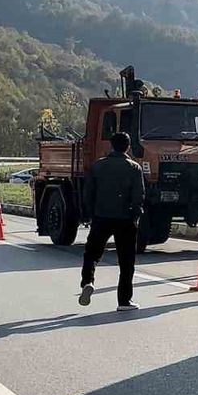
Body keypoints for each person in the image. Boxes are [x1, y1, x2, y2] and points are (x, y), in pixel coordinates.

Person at [77, 132, 145, 311]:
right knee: (126, 261)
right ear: (128, 147)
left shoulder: (98, 166)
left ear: (111, 146)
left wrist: (91, 213)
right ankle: (124, 301)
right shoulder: (134, 167)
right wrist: (135, 215)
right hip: (125, 219)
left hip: (101, 217)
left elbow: (88, 193)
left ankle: (87, 282)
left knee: (91, 253)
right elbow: (139, 196)